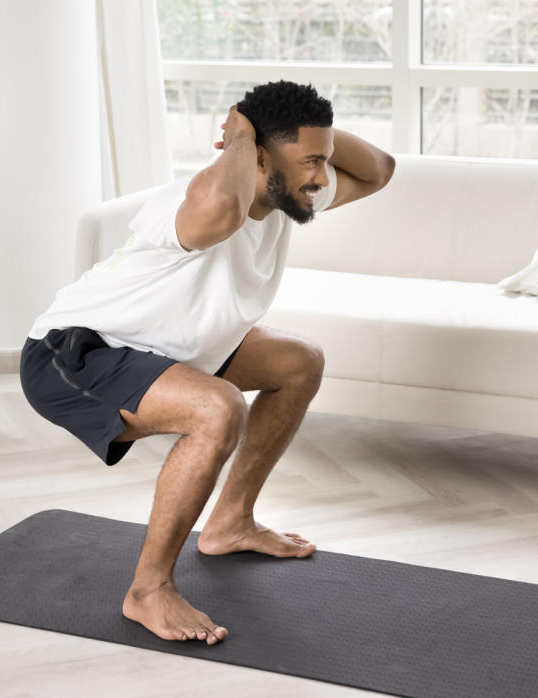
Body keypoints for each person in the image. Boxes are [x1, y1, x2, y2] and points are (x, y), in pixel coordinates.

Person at [20, 81, 395, 645]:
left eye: (324, 160)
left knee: (299, 362)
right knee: (216, 409)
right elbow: (220, 211)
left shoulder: (285, 190)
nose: (321, 177)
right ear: (260, 156)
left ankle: (230, 523)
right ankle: (147, 591)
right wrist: (245, 133)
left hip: (171, 345)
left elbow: (380, 169)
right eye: (310, 161)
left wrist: (300, 136)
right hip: (75, 352)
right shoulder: (195, 199)